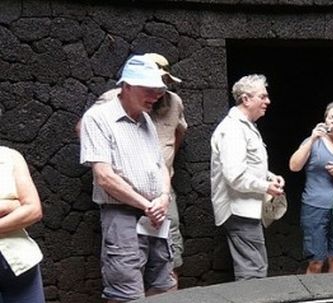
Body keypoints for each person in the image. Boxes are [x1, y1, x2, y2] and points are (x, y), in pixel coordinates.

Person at [77, 53, 188, 284]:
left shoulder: (146, 117)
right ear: (127, 86)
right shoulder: (99, 115)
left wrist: (163, 198)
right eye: (149, 88)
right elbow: (104, 177)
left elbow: (162, 164)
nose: (157, 95)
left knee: (164, 283)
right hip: (124, 210)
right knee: (127, 291)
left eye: (159, 88)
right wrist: (147, 204)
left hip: (158, 210)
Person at [210, 74, 285, 280]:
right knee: (253, 272)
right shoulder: (233, 129)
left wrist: (270, 177)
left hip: (246, 209)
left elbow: (248, 164)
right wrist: (266, 187)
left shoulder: (245, 126)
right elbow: (234, 176)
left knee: (255, 267)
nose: (267, 101)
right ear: (246, 99)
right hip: (239, 210)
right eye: (263, 96)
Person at [289, 101, 333, 274]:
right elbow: (294, 166)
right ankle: (311, 298)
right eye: (331, 117)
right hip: (315, 207)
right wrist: (312, 138)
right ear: (324, 120)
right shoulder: (314, 142)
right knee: (316, 261)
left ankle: (332, 300)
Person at [0, 145, 47, 303]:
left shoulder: (9, 156)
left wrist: (20, 207)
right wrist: (11, 205)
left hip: (20, 267)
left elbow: (33, 209)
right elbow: (22, 206)